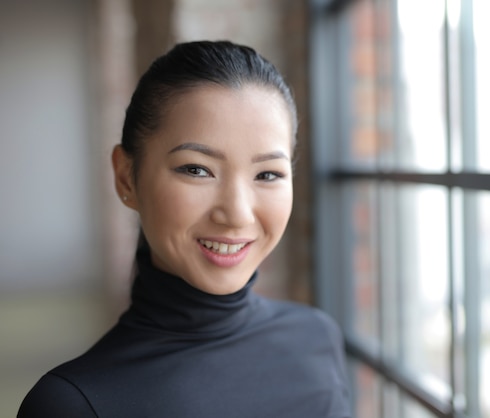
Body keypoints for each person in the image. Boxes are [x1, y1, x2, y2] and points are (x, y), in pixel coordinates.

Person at [18, 40, 352, 418]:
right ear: (127, 178)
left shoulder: (316, 338)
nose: (238, 214)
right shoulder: (72, 404)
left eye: (268, 174)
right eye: (197, 169)